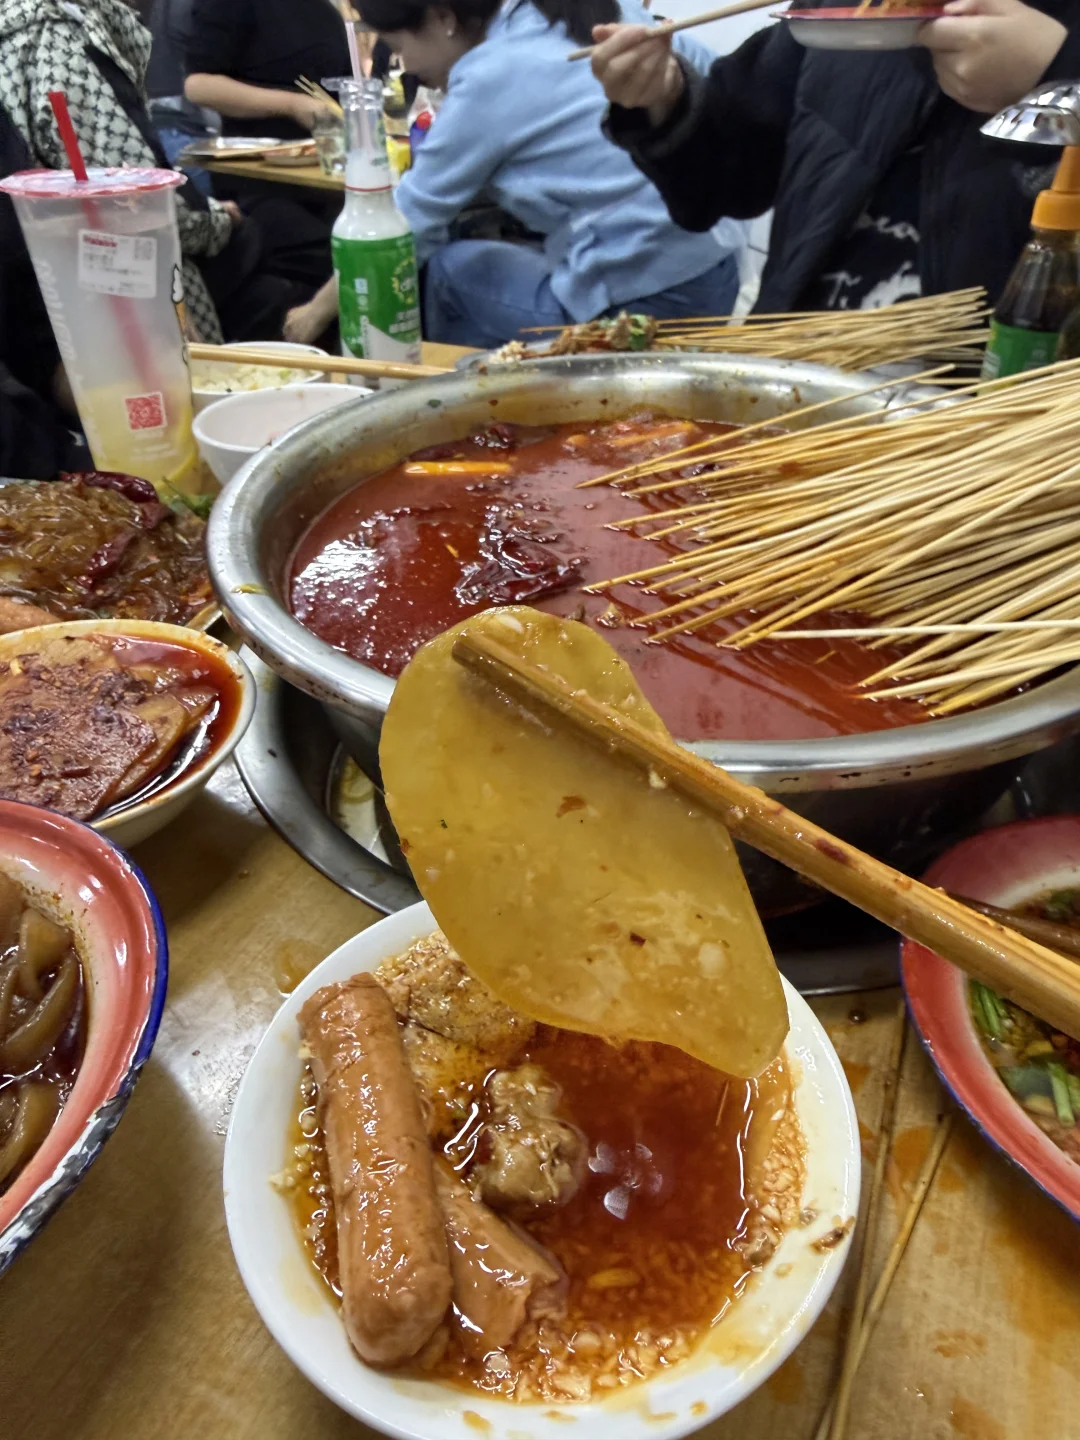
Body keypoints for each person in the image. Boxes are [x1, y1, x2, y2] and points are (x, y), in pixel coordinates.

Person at [590, 0, 1080, 312]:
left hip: (997, 418)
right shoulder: (842, 12)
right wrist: (662, 98)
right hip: (797, 374)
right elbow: (731, 179)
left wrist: (1060, 76)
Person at [344, 0, 745, 347]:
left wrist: (315, 319)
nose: (408, 67)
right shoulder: (589, 12)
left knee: (450, 270)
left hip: (644, 305)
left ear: (443, 18)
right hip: (719, 268)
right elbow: (711, 72)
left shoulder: (490, 73)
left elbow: (401, 229)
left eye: (400, 48)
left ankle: (472, 396)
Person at [0, 0, 325, 343]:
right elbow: (132, 205)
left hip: (62, 276)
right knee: (287, 262)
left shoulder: (34, 28)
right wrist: (217, 219)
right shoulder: (62, 41)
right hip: (110, 284)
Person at [183, 0, 351, 141]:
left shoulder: (324, 9)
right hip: (260, 161)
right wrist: (293, 105)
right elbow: (198, 87)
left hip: (327, 156)